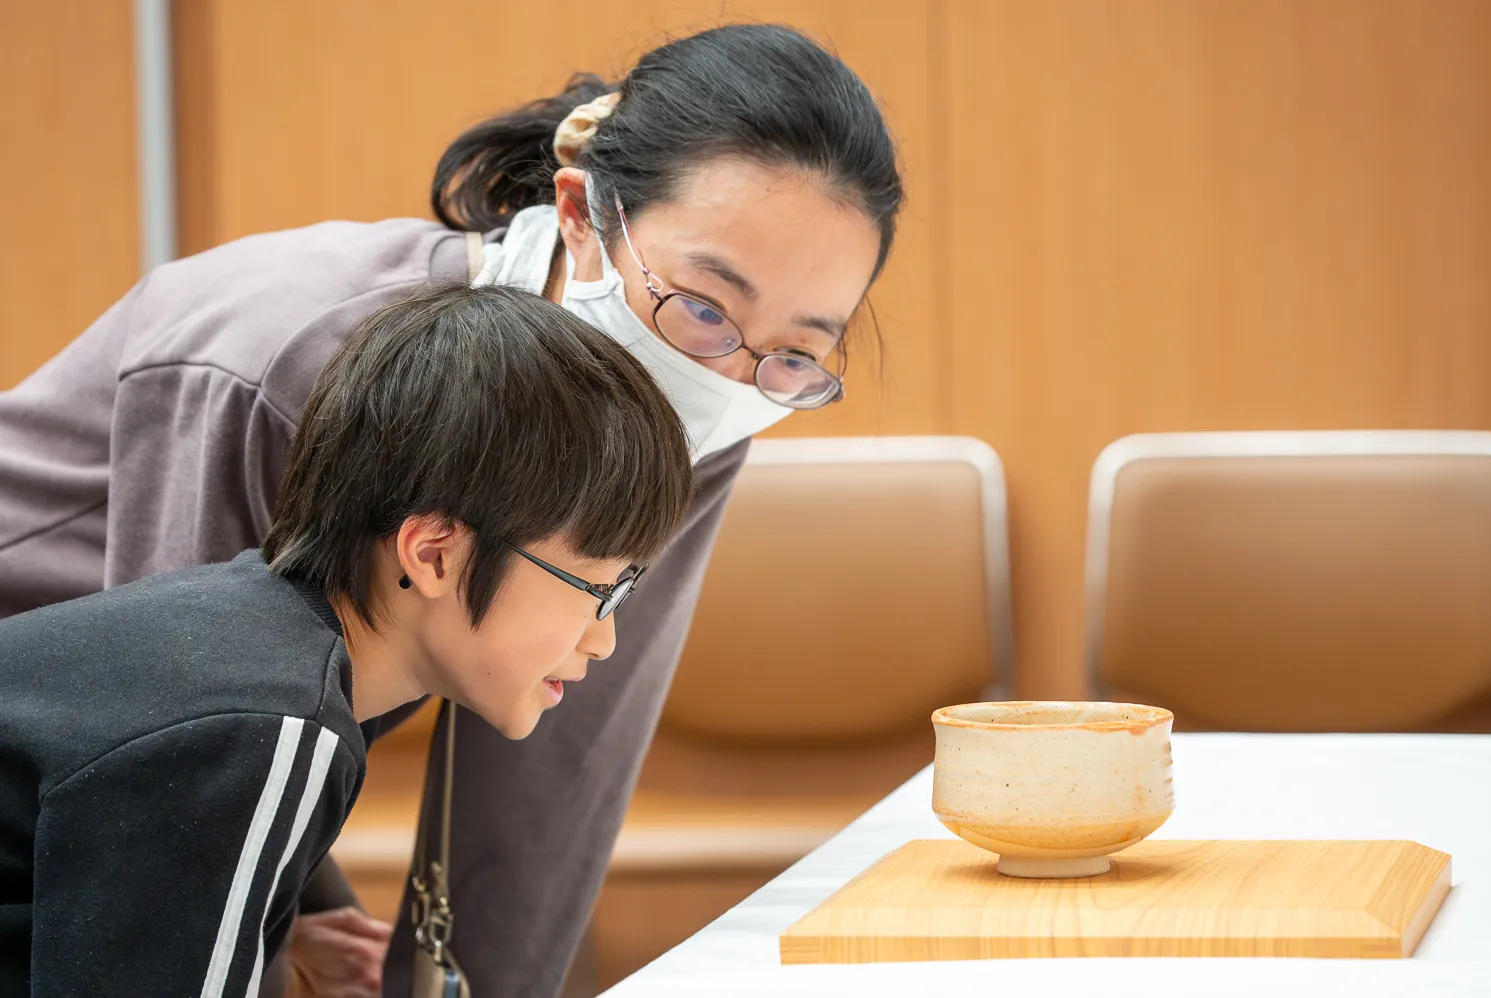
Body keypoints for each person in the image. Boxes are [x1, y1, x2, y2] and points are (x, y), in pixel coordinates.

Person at [0, 22, 903, 998]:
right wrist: (281, 911)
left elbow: (552, 775)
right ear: (580, 214)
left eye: (796, 353)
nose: (729, 376)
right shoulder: (288, 354)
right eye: (705, 306)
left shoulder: (708, 409)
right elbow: (184, 747)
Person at [0, 281, 693, 996]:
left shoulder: (252, 650)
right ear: (434, 555)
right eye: (596, 591)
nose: (604, 641)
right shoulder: (265, 725)